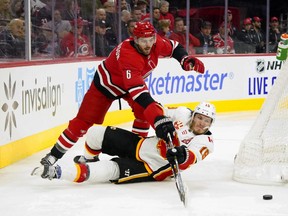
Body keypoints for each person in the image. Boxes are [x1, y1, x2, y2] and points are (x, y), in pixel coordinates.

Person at [34, 21, 205, 179]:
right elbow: (139, 93)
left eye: (151, 39)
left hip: (129, 87)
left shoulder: (155, 43)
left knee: (144, 113)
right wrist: (159, 119)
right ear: (134, 39)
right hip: (105, 87)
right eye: (143, 41)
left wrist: (184, 59)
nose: (148, 44)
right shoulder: (127, 54)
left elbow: (174, 47)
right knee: (83, 122)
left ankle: (135, 150)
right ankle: (52, 156)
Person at [32, 102, 216, 184]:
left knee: (110, 169)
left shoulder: (206, 141)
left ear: (210, 124)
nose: (202, 123)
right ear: (194, 115)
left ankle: (57, 173)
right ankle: (89, 159)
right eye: (200, 117)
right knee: (96, 133)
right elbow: (158, 109)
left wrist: (181, 155)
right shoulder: (183, 113)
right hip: (142, 145)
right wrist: (160, 120)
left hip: (153, 166)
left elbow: (191, 158)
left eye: (206, 121)